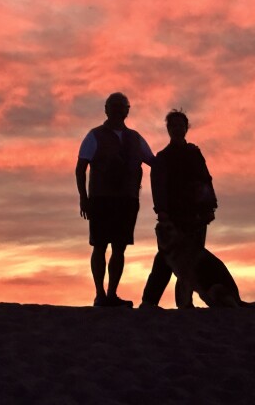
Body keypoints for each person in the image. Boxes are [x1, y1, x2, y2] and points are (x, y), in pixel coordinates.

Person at [76, 92, 155, 307]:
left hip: (128, 200)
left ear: (128, 110)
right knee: (100, 246)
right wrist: (84, 198)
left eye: (122, 106)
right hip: (101, 199)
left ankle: (112, 294)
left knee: (120, 247)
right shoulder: (94, 136)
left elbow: (154, 163)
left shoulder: (135, 138)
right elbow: (81, 168)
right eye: (114, 105)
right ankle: (100, 294)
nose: (119, 109)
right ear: (106, 109)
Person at [141, 109, 217, 308]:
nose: (177, 129)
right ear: (168, 129)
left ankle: (185, 303)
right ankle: (149, 301)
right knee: (165, 260)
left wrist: (210, 207)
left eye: (180, 125)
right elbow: (158, 185)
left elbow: (205, 179)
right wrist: (162, 211)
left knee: (192, 260)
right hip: (173, 217)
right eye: (173, 126)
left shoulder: (194, 153)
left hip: (196, 215)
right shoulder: (163, 157)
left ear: (186, 128)